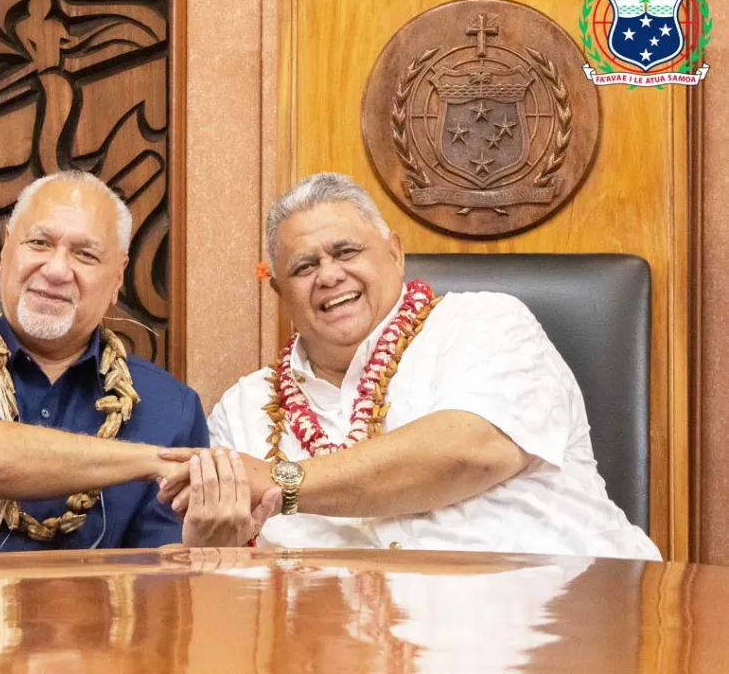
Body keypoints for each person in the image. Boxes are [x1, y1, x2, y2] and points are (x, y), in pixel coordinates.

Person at [161, 172, 660, 559]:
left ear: (395, 254)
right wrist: (212, 545)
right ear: (279, 293)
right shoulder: (244, 409)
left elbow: (468, 452)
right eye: (304, 267)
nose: (329, 275)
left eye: (346, 251)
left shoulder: (485, 323)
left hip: (555, 628)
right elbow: (229, 580)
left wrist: (280, 482)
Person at [0, 171, 268, 560]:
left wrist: (204, 544)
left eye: (84, 255)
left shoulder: (168, 405)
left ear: (118, 278)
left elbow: (156, 571)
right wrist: (155, 461)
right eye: (39, 243)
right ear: (7, 250)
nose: (56, 269)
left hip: (81, 636)